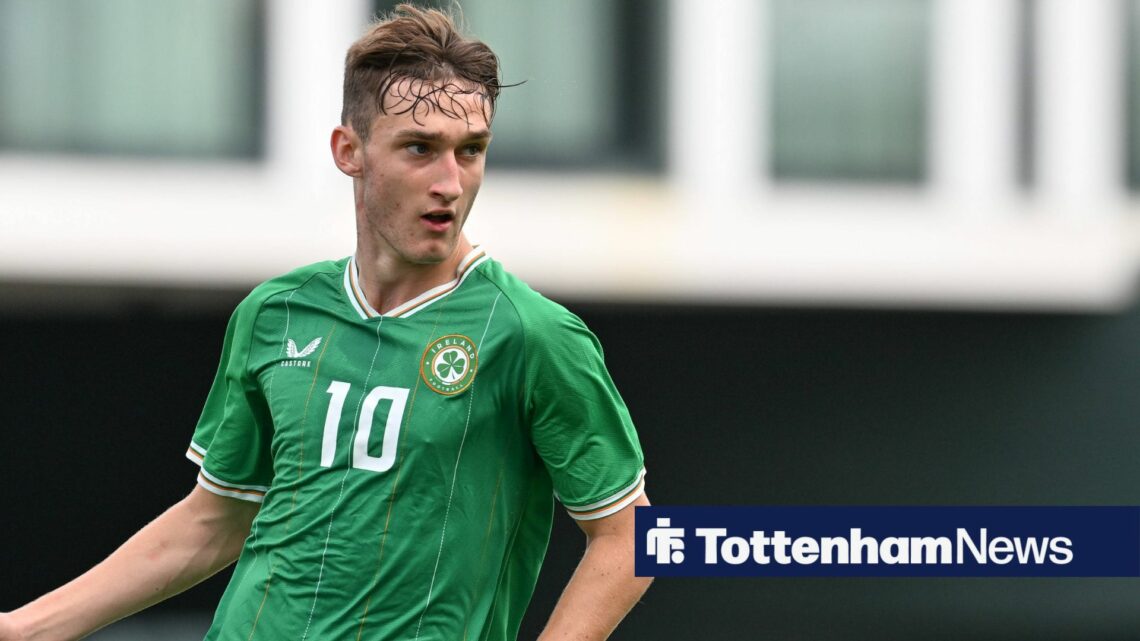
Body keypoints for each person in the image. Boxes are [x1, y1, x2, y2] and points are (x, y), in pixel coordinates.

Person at [0, 5, 650, 640]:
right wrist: (24, 627)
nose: (450, 182)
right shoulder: (274, 313)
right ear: (350, 150)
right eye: (420, 149)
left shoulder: (533, 336)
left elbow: (628, 538)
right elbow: (212, 521)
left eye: (471, 150)